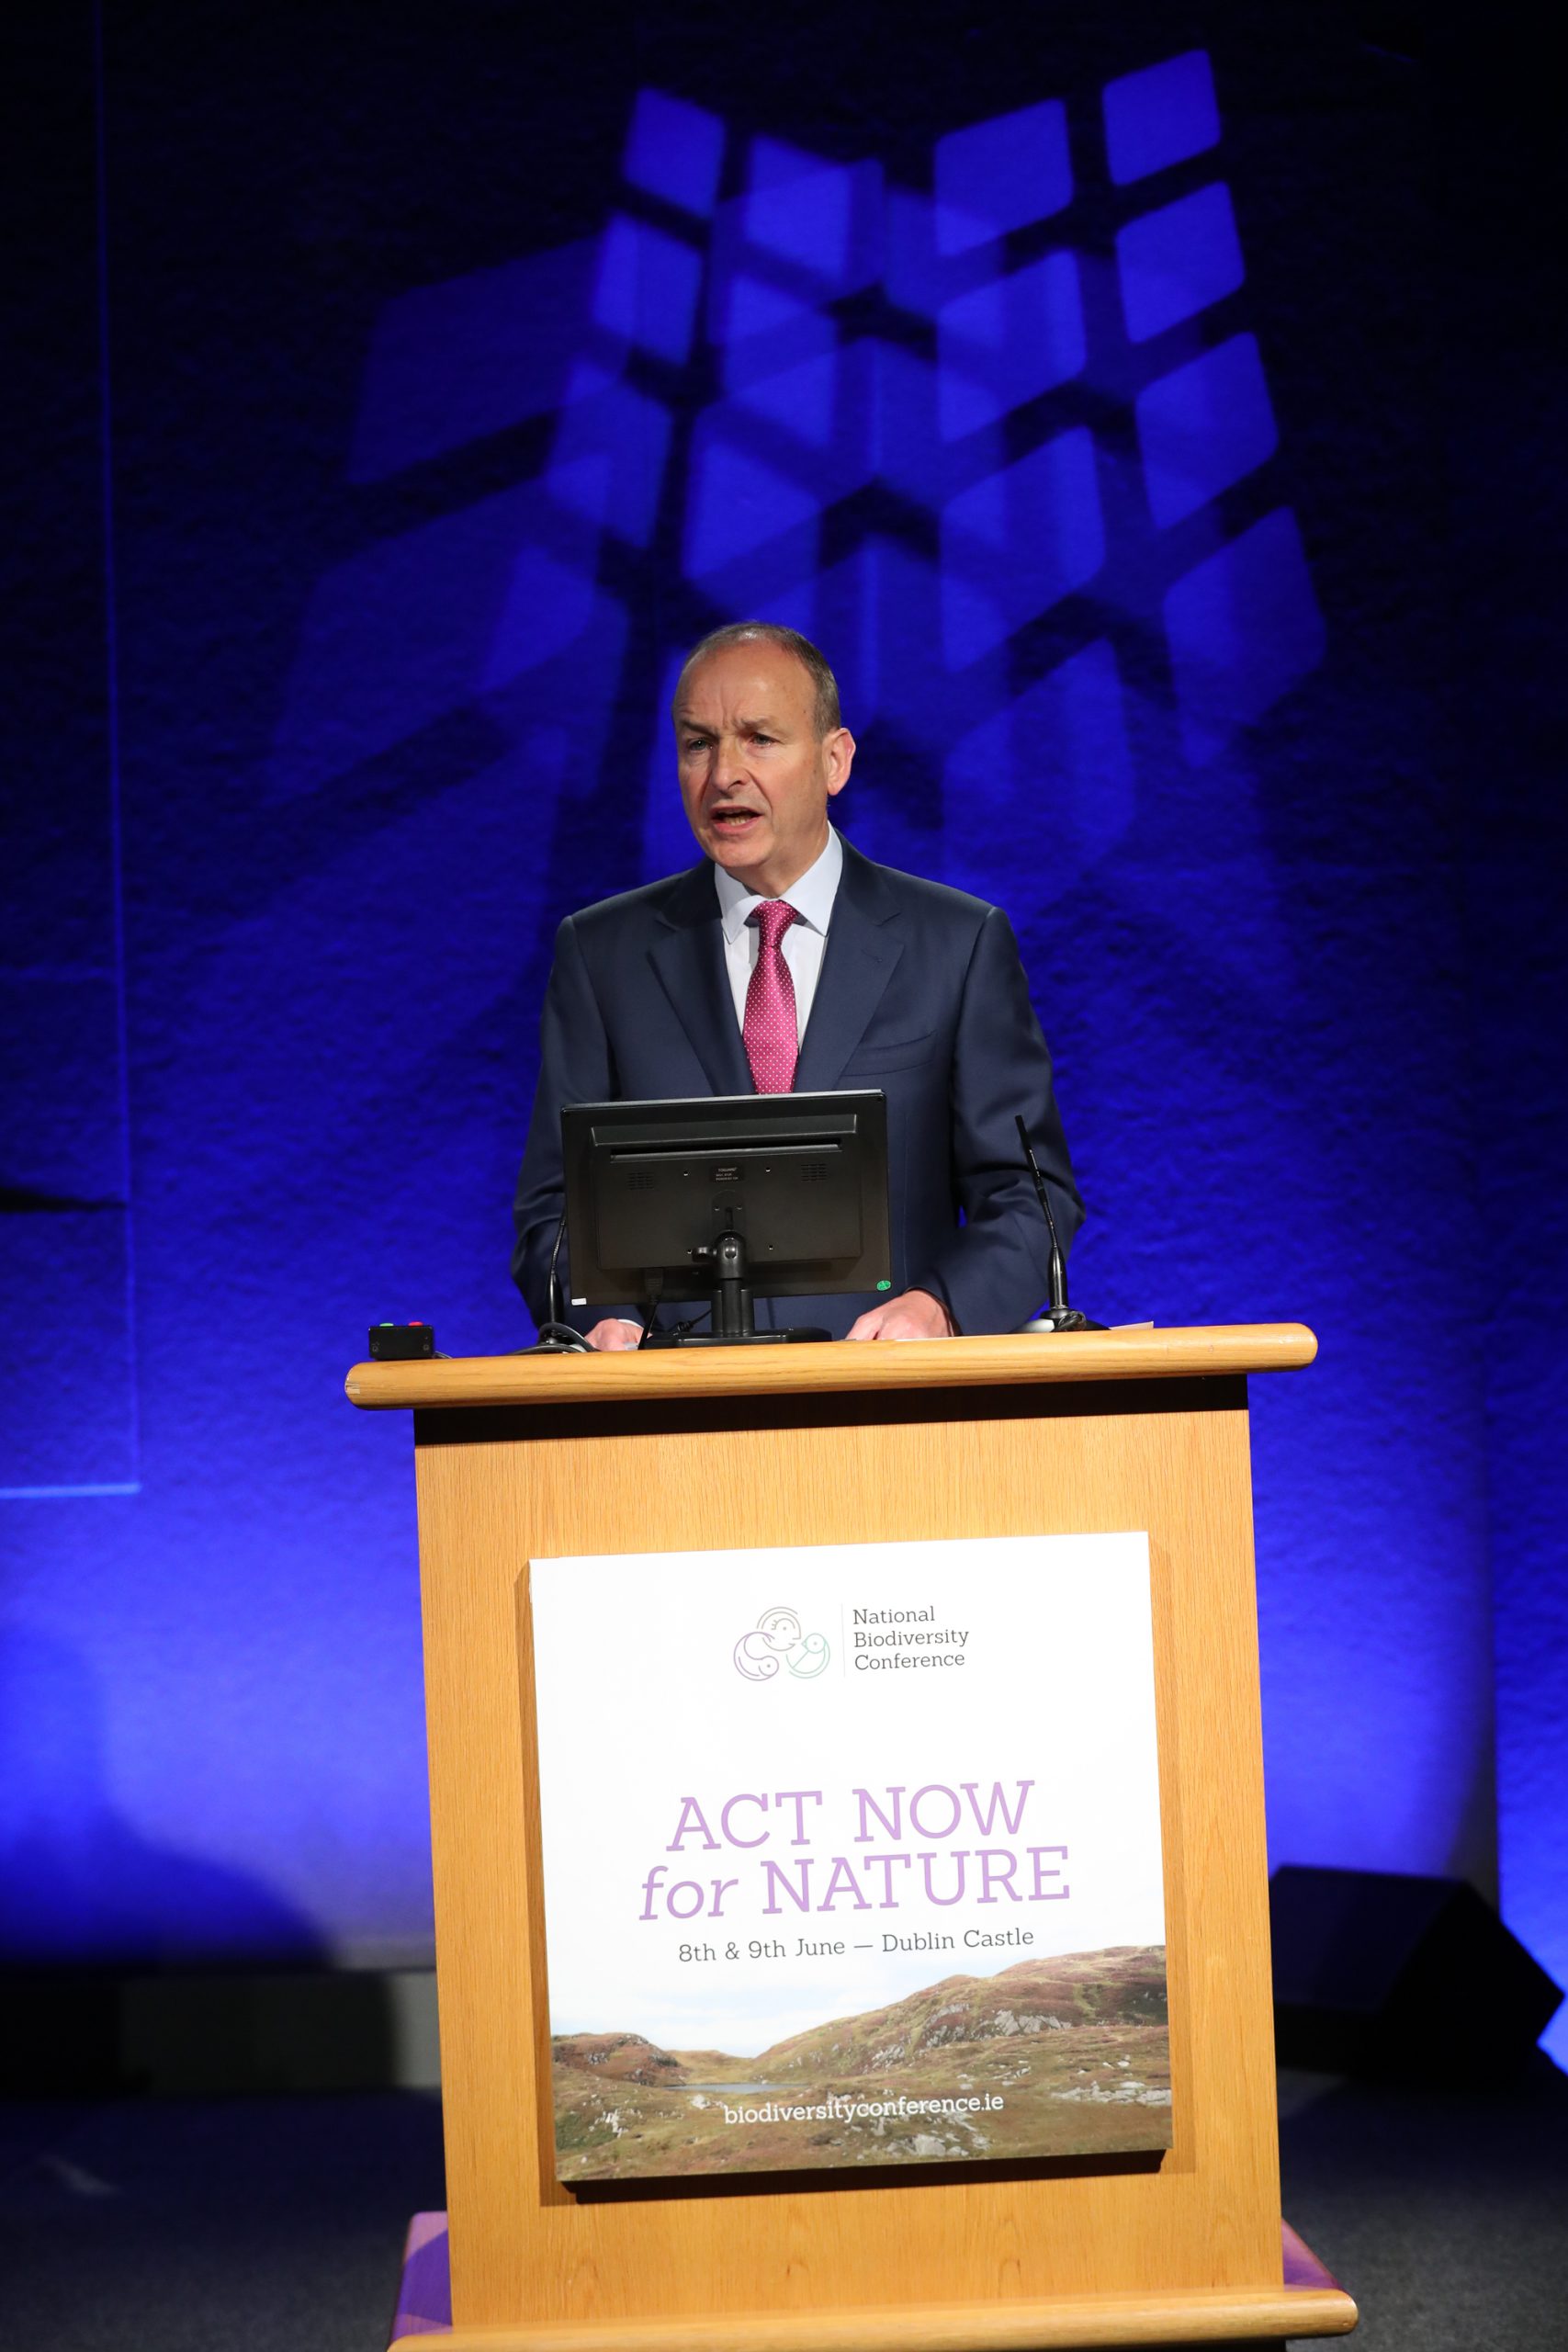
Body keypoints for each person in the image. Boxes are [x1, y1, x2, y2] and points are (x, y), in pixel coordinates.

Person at [513, 622, 1082, 1346]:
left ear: (834, 761)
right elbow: (552, 1207)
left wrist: (939, 1309)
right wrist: (600, 1318)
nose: (723, 775)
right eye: (697, 744)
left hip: (888, 1403)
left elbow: (1028, 1196)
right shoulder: (602, 955)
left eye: (759, 739)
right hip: (670, 1411)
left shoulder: (956, 945)